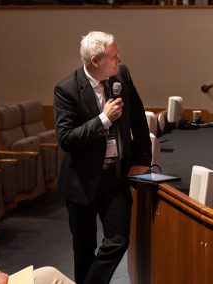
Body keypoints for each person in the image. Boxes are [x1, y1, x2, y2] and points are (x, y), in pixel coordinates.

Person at [53, 31, 152, 284]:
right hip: (82, 181)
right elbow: (67, 139)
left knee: (118, 241)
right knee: (83, 251)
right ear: (96, 60)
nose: (119, 59)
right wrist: (103, 119)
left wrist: (142, 159)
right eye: (113, 56)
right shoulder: (66, 89)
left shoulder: (122, 76)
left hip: (115, 177)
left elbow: (139, 119)